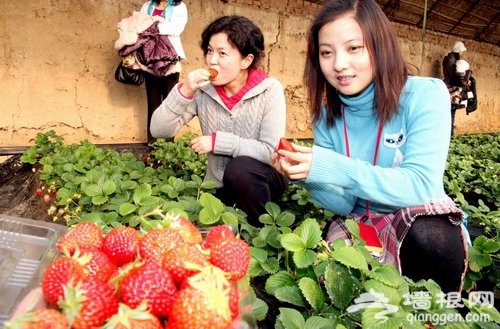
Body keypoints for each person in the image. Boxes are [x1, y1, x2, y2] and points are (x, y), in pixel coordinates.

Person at [271, 0, 467, 293]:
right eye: (327, 52)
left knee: (432, 236)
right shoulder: (326, 118)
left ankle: (436, 315)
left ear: (380, 46)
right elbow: (345, 204)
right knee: (345, 286)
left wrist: (331, 166)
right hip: (360, 223)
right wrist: (308, 177)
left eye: (354, 48)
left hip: (417, 221)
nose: (338, 64)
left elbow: (421, 187)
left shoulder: (424, 94)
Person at [150, 15, 289, 225]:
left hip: (264, 178)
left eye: (222, 53)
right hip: (219, 184)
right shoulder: (203, 91)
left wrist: (218, 142)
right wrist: (184, 91)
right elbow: (158, 130)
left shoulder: (270, 90)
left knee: (240, 169)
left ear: (246, 60)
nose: (212, 60)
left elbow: (270, 151)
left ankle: (261, 229)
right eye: (209, 51)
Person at [442, 40, 468, 135]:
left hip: (451, 86)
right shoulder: (450, 60)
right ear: (458, 51)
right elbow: (454, 76)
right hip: (451, 87)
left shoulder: (451, 59)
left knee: (452, 110)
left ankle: (450, 131)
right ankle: (449, 132)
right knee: (451, 109)